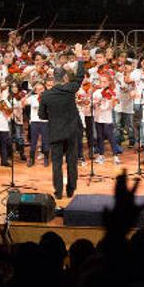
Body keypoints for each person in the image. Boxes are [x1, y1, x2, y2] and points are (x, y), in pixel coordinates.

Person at [39, 43, 85, 199]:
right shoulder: (70, 89)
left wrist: (53, 117)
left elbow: (41, 116)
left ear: (53, 78)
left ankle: (58, 192)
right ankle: (71, 190)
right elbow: (80, 76)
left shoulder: (45, 95)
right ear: (65, 78)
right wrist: (79, 55)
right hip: (71, 132)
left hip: (55, 132)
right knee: (72, 162)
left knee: (57, 164)